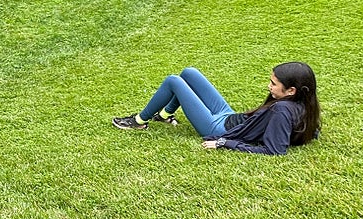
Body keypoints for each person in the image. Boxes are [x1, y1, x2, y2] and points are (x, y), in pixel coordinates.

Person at [112, 63, 321, 156]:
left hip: (220, 127)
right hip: (231, 116)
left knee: (173, 81)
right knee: (189, 72)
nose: (269, 86)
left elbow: (274, 150)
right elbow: (306, 130)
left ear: (291, 90)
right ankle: (165, 115)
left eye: (273, 84)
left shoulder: (282, 111)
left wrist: (223, 143)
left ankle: (139, 122)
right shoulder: (303, 104)